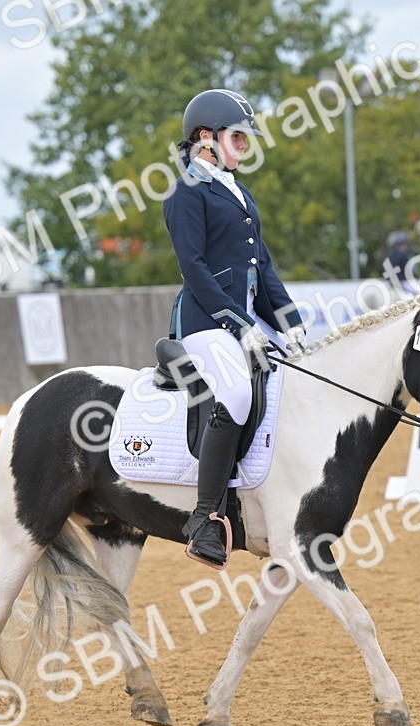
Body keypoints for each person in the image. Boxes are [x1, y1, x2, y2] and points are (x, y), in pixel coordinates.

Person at [164, 88, 308, 570]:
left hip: (246, 323)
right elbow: (195, 269)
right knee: (238, 395)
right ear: (206, 138)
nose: (245, 148)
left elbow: (262, 269)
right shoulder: (185, 192)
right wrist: (237, 322)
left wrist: (291, 324)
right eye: (238, 139)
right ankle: (205, 519)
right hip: (205, 322)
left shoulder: (239, 192)